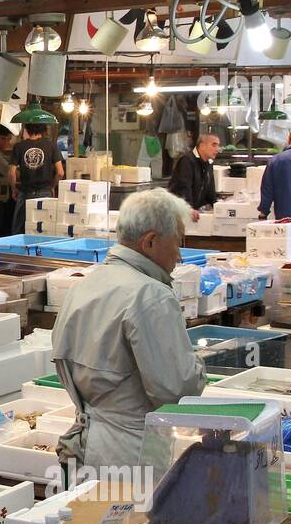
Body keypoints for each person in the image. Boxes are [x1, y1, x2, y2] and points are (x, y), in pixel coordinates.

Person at [52, 188, 207, 476]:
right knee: (130, 520)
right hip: (131, 451)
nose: (180, 254)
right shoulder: (151, 295)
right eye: (178, 241)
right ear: (150, 241)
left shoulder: (83, 284)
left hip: (85, 445)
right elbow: (177, 391)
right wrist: (197, 364)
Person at [9, 122, 65, 235]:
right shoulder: (51, 145)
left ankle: (18, 252)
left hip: (25, 193)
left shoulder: (19, 147)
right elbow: (60, 172)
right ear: (44, 130)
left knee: (19, 230)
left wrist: (14, 189)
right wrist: (52, 187)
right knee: (44, 230)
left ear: (26, 129)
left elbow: (11, 173)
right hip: (45, 193)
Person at [168, 132, 221, 220]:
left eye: (218, 146)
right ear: (202, 145)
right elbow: (183, 188)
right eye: (214, 145)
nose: (217, 149)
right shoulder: (186, 161)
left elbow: (210, 191)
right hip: (178, 213)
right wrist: (188, 208)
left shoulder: (209, 163)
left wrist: (219, 206)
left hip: (194, 213)